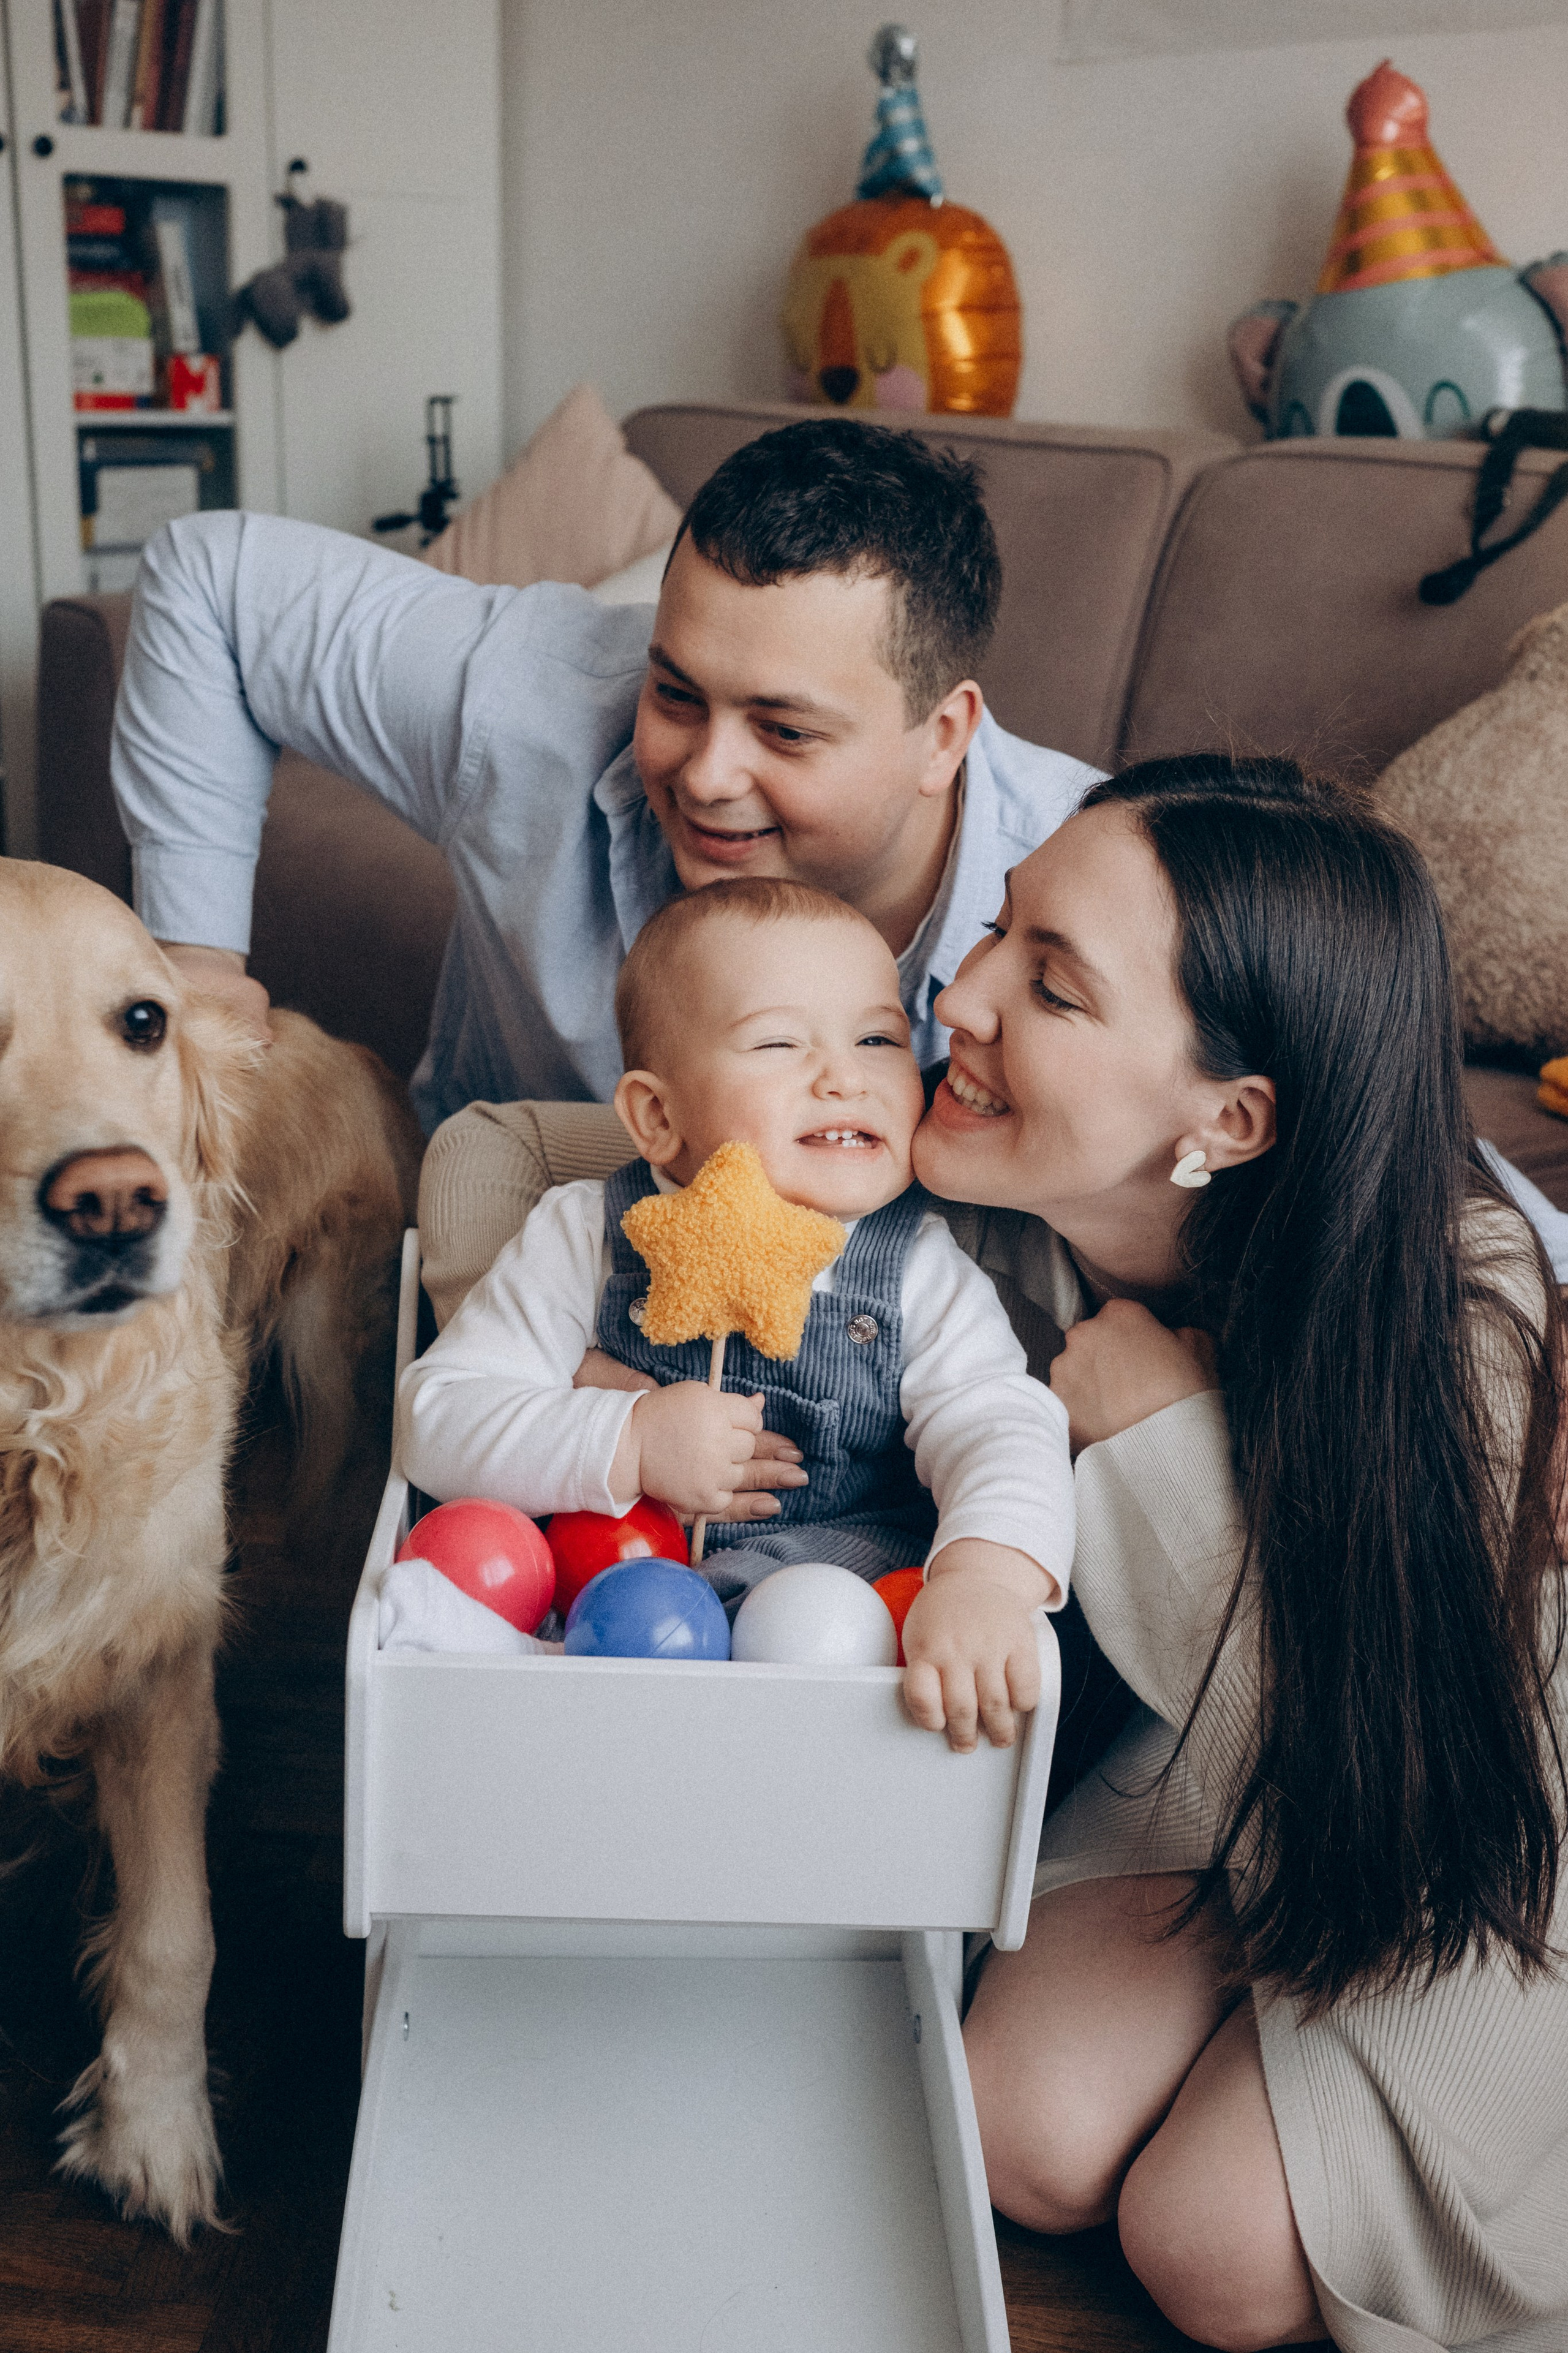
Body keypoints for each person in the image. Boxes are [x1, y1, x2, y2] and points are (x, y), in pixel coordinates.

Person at [109, 412, 1568, 1316]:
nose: (701, 768)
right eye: (676, 689)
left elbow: (1360, 1109)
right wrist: (196, 964)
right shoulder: (533, 689)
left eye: (784, 729)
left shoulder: (1084, 882)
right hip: (511, 1253)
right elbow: (206, 581)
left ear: (945, 735)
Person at [891, 754, 1568, 2353]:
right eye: (995, 933)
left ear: (1230, 1119)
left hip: (1471, 1839)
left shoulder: (1459, 1305)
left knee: (1212, 2242)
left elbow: (1410, 1787)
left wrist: (1154, 1451)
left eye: (1048, 988)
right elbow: (681, 1112)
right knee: (1014, 2125)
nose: (958, 998)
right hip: (1223, 1758)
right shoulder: (983, 1188)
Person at [397, 878, 1069, 1747]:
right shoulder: (585, 1234)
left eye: (878, 1037)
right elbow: (437, 1419)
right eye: (780, 1042)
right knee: (479, 1559)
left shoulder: (918, 1269)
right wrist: (629, 1438)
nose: (844, 1076)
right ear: (658, 1114)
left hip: (835, 1640)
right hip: (604, 1608)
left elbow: (1002, 1424)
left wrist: (984, 1577)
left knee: (828, 1620)